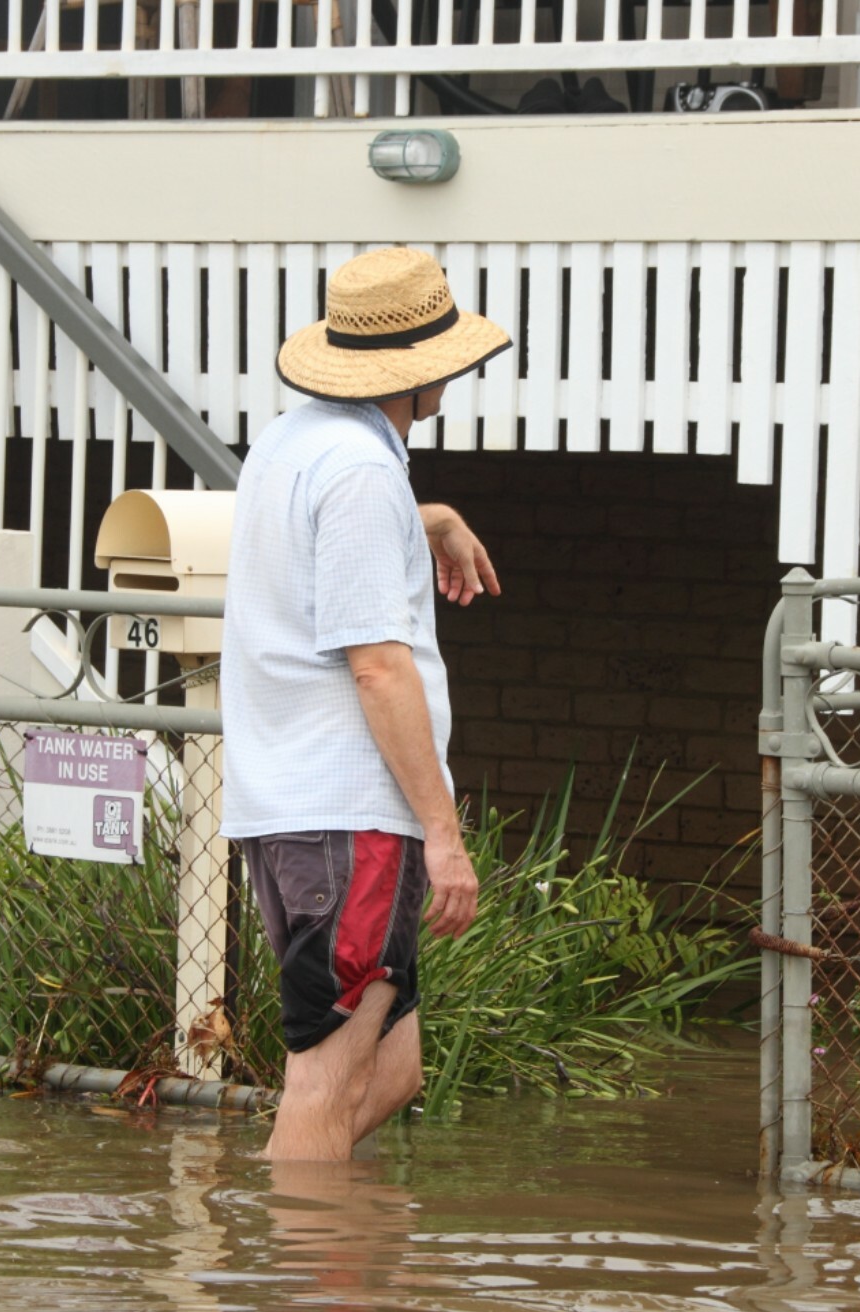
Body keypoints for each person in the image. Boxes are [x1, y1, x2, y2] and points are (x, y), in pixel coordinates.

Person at [220, 246, 512, 1163]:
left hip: (291, 809)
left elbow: (318, 542)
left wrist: (431, 516)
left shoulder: (292, 442)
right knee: (325, 1082)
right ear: (427, 370)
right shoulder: (359, 472)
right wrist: (445, 833)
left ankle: (337, 1284)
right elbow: (379, 667)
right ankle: (292, 1296)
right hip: (351, 824)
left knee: (392, 1074)